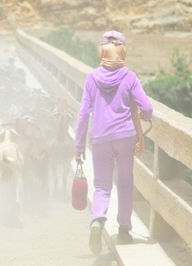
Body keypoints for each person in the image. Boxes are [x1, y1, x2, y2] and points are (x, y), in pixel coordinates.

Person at [74, 30, 153, 255]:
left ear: (102, 51)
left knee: (102, 185)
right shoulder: (129, 76)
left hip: (100, 138)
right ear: (122, 51)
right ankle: (125, 230)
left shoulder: (91, 77)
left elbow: (82, 114)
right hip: (125, 137)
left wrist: (78, 146)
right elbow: (146, 108)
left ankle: (97, 221)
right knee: (125, 183)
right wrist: (145, 118)